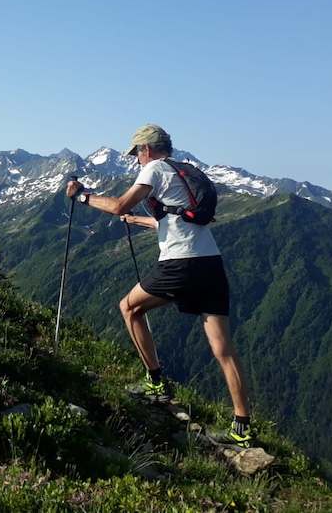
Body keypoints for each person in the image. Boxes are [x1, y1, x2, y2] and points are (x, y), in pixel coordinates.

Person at [65, 123, 256, 449]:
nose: (137, 161)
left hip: (180, 264)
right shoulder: (182, 172)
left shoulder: (153, 169)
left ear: (147, 149)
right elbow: (171, 219)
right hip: (211, 263)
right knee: (223, 349)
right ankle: (242, 428)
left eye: (137, 154)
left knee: (129, 307)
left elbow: (118, 205)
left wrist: (82, 196)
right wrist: (137, 221)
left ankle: (155, 382)